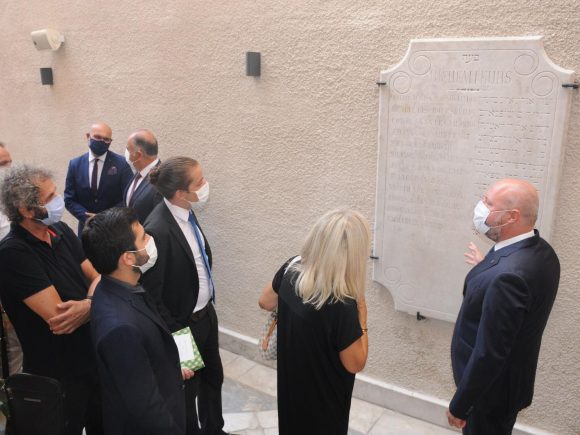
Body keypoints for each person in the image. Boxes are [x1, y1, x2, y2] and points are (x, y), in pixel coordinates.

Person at [447, 179, 560, 434]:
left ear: (512, 216)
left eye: (488, 203)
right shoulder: (542, 252)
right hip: (507, 386)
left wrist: (461, 405)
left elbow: (490, 352)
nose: (480, 207)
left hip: (488, 396)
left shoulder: (508, 278)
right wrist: (486, 268)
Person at [0, 164, 103, 435]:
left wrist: (88, 305)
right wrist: (96, 301)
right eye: (50, 198)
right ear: (25, 210)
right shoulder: (13, 253)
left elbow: (97, 275)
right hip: (57, 376)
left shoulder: (60, 231)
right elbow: (61, 318)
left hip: (91, 360)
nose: (58, 201)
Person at [258, 208, 370, 435]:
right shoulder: (343, 304)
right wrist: (363, 317)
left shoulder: (291, 269)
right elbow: (355, 363)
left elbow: (265, 302)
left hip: (291, 389)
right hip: (324, 403)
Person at [82, 207, 191, 435]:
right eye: (144, 237)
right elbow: (146, 408)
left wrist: (173, 366)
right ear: (128, 258)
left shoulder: (116, 286)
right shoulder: (120, 328)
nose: (151, 239)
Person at [140, 156, 227, 435]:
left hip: (206, 316)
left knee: (213, 377)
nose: (205, 185)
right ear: (180, 192)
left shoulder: (187, 211)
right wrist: (177, 334)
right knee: (188, 390)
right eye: (199, 182)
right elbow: (152, 294)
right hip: (183, 327)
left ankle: (214, 429)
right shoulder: (157, 229)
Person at [65, 122, 132, 235]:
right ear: (88, 136)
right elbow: (69, 199)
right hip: (86, 230)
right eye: (97, 137)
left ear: (110, 142)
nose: (101, 141)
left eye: (106, 139)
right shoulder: (75, 164)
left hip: (114, 230)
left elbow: (128, 197)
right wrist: (87, 218)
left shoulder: (122, 164)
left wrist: (104, 217)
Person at [123, 129, 162, 223]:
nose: (126, 152)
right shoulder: (139, 172)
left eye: (128, 149)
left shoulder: (160, 180)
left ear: (138, 155)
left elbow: (158, 221)